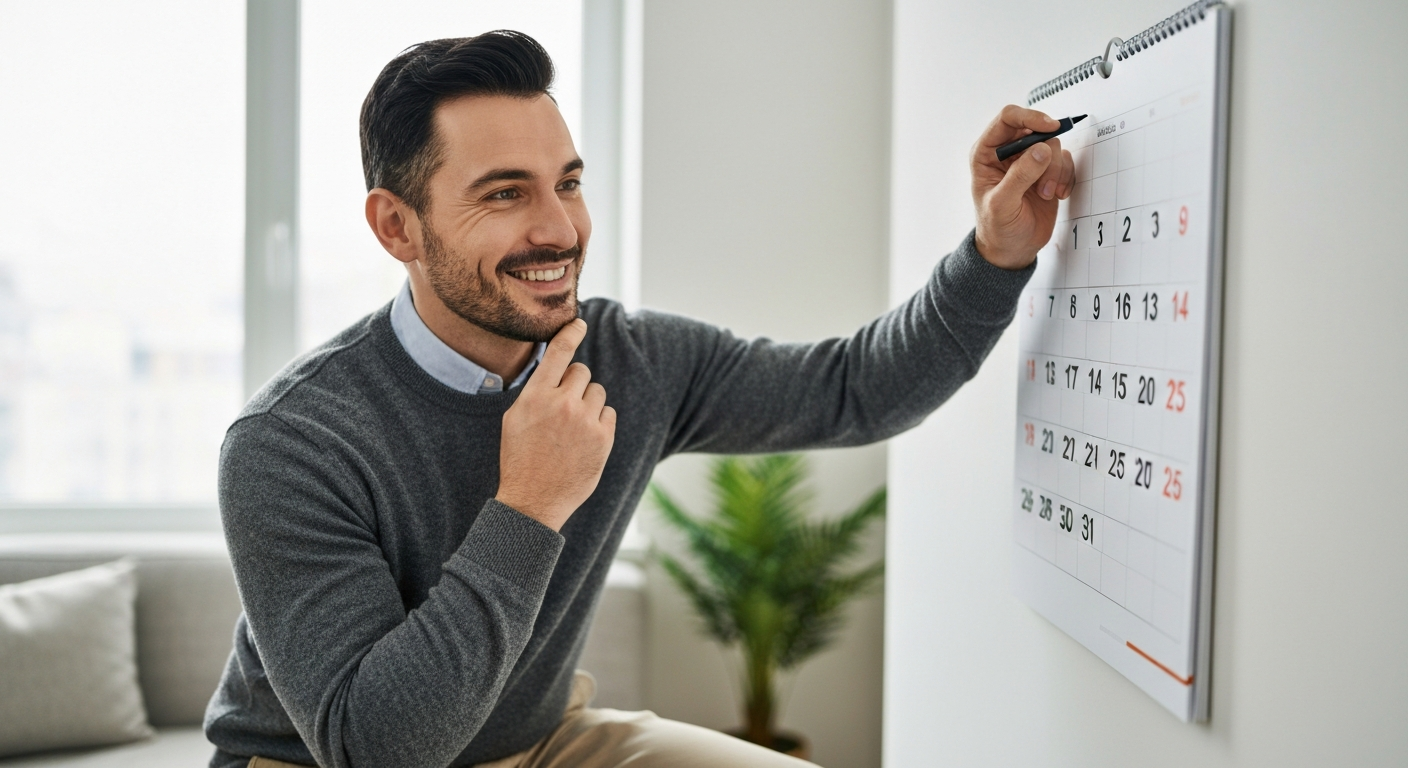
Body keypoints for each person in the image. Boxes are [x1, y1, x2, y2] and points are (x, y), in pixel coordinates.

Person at [203, 29, 1073, 768]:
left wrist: (995, 253)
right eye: (506, 193)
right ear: (398, 227)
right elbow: (376, 747)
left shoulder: (634, 358)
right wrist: (531, 503)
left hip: (542, 743)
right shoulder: (291, 441)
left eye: (569, 183)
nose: (561, 230)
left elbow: (855, 390)